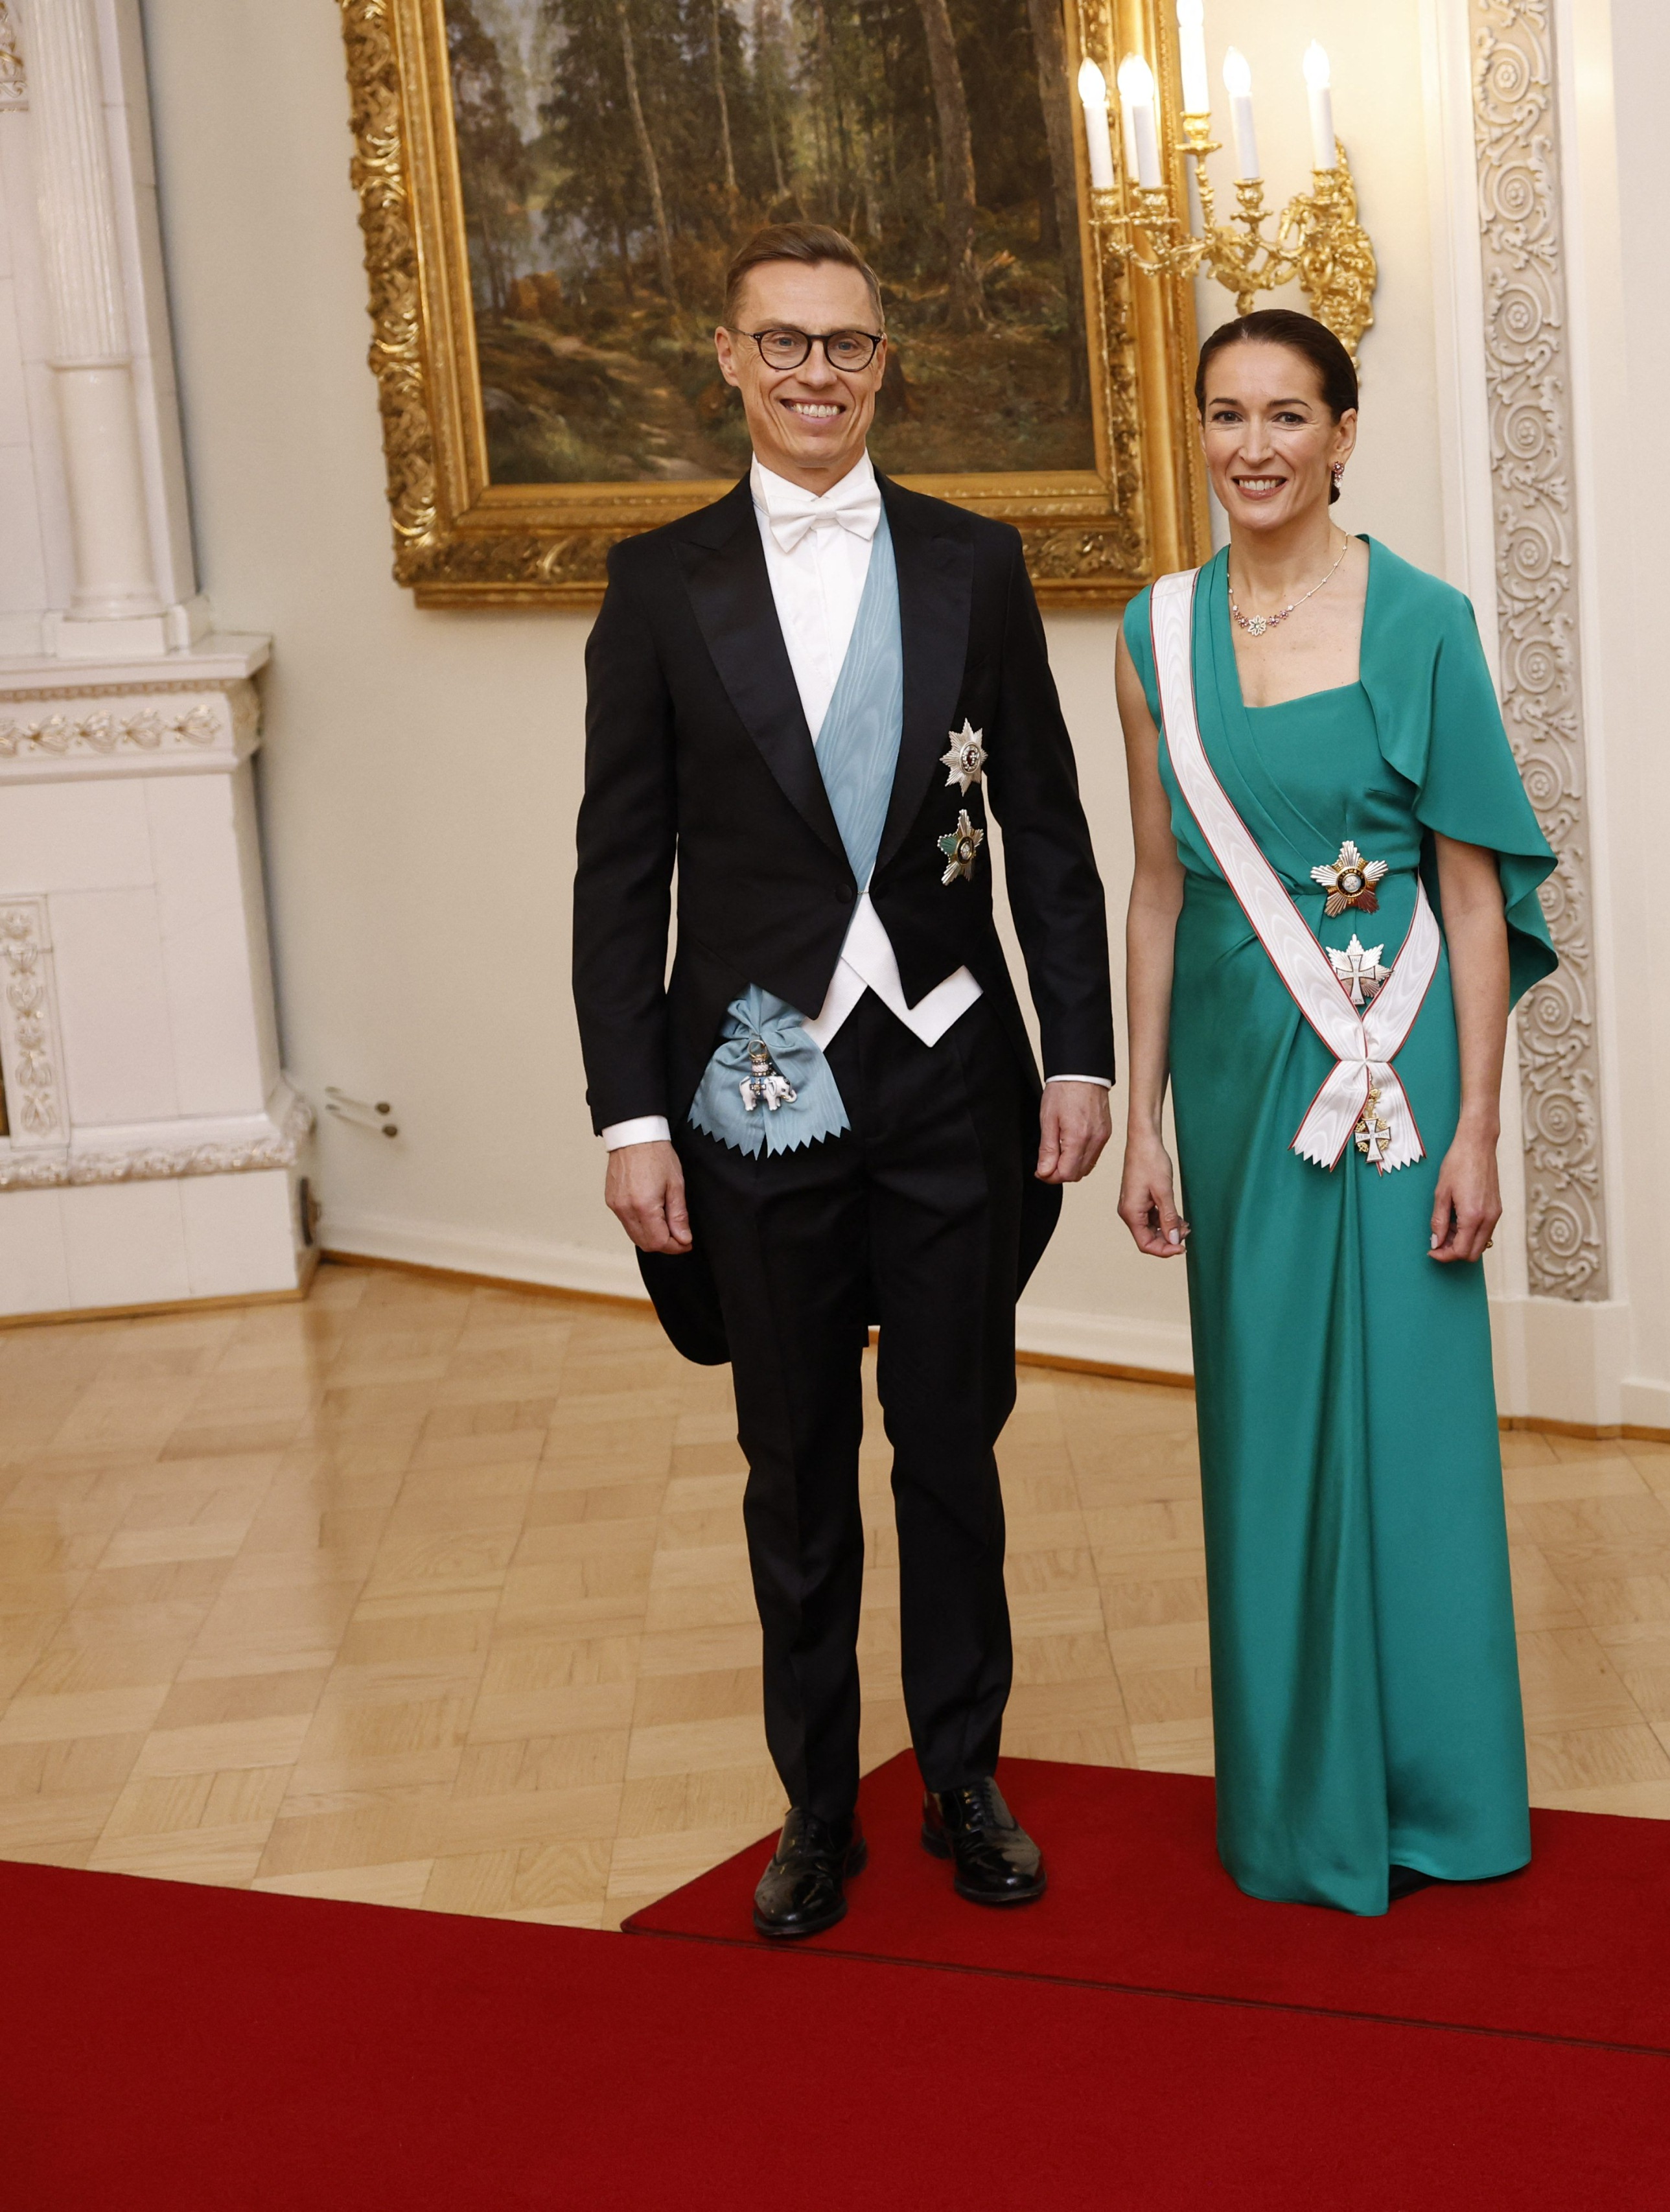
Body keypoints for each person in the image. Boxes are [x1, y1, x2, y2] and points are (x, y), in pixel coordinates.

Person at [574, 222, 1116, 1942]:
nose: (820, 371)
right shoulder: (660, 584)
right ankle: (819, 1804)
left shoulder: (977, 563)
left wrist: (1083, 1046)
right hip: (749, 1090)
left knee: (951, 1444)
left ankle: (961, 1770)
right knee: (795, 1460)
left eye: (851, 345)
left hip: (956, 1078)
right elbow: (620, 869)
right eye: (785, 343)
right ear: (728, 358)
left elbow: (1047, 823)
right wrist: (629, 1112)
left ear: (887, 363)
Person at [1111, 309, 1556, 1916]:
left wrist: (1481, 1125)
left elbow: (1477, 891)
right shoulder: (1150, 633)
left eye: (1288, 414)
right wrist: (1147, 1116)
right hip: (1239, 1067)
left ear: (1344, 433)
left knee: (1414, 1422)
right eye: (1225, 413)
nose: (1253, 446)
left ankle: (1437, 1793)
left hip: (1396, 1054)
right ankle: (1299, 1803)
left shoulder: (1423, 617)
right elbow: (1157, 890)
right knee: (1264, 1415)